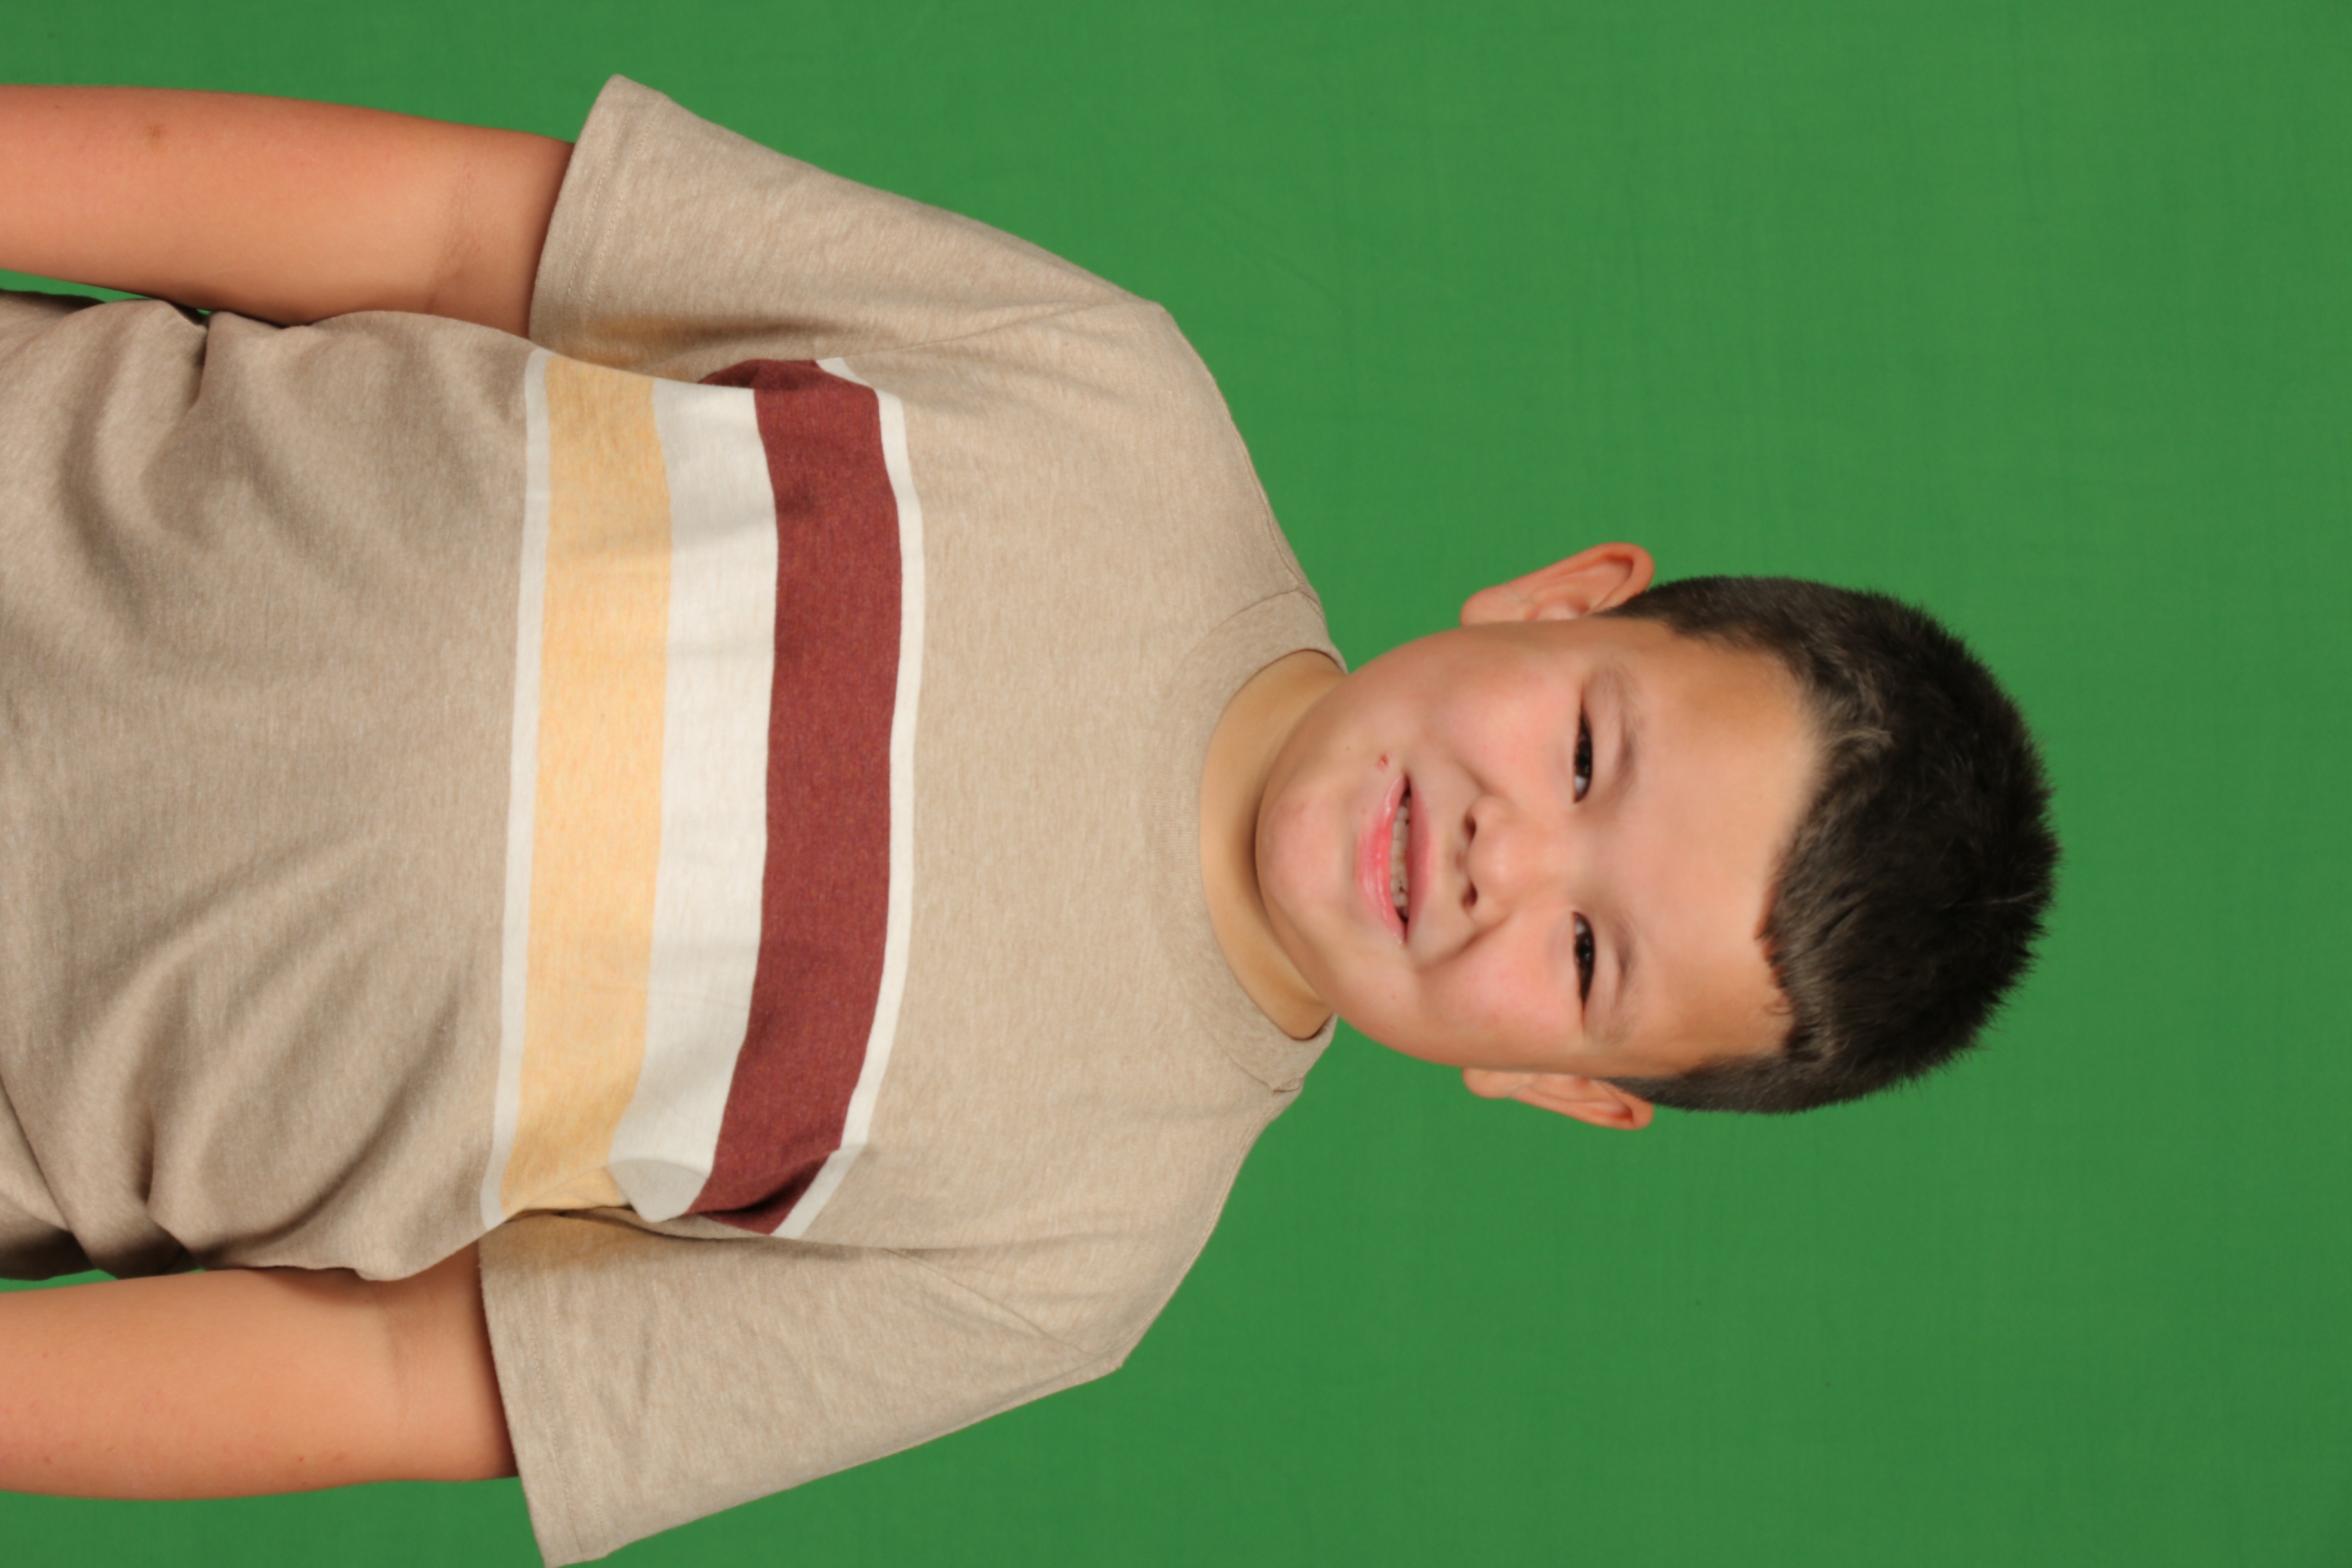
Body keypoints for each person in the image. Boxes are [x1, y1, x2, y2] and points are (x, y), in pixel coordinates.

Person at [0, 76, 2056, 1564]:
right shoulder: (1098, 396)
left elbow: (400, 1376)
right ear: (1564, 602)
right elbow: (464, 233)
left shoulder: (1073, 1252)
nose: (1505, 855)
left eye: (1587, 952)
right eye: (1589, 756)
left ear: (1552, 1082)